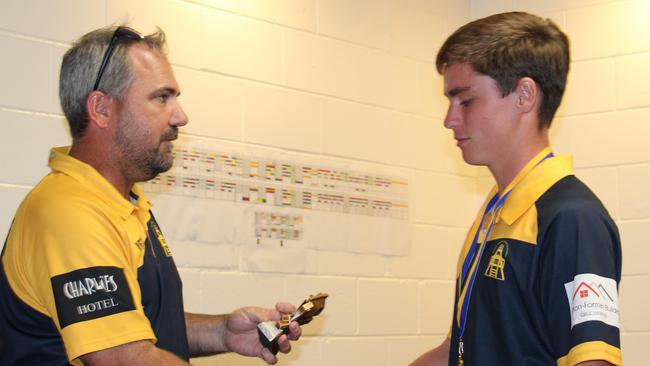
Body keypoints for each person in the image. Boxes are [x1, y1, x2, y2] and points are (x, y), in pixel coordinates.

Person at [0, 26, 302, 365]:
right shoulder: (70, 211)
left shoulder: (123, 203)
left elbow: (132, 327)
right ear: (100, 109)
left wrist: (222, 332)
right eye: (162, 97)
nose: (181, 116)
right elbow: (126, 357)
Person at [409, 12, 621, 366]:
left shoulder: (572, 219)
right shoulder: (496, 212)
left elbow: (592, 360)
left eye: (465, 100)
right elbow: (456, 352)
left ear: (524, 94)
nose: (449, 119)